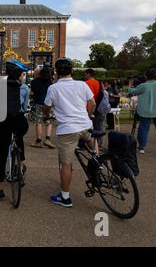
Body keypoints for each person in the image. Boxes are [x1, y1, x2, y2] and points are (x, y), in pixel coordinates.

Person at [44, 58, 96, 208]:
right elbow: (92, 103)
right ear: (72, 71)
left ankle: (65, 197)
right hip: (85, 124)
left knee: (66, 164)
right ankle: (97, 160)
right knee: (90, 138)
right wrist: (89, 115)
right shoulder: (82, 84)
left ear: (56, 72)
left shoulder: (53, 88)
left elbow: (46, 107)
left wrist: (47, 116)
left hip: (68, 129)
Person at [0, 60, 29, 200]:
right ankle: (21, 165)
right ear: (19, 75)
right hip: (19, 121)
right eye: (22, 74)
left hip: (4, 121)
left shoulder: (0, 85)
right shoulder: (24, 87)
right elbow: (24, 107)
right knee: (19, 137)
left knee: (2, 156)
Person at [128, 69, 156, 156]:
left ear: (146, 76)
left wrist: (130, 84)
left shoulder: (143, 85)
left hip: (145, 111)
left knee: (143, 128)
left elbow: (132, 92)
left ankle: (141, 147)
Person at [30, 65, 55, 149]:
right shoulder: (51, 82)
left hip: (38, 103)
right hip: (49, 104)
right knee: (49, 121)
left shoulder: (34, 82)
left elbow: (33, 91)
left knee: (39, 122)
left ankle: (38, 141)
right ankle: (48, 139)